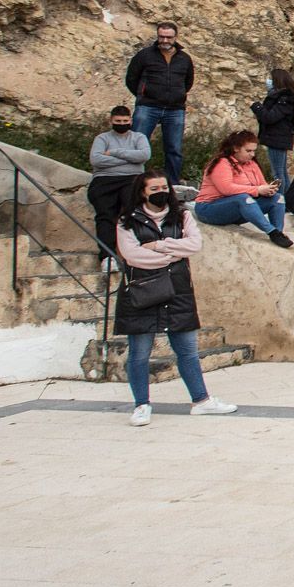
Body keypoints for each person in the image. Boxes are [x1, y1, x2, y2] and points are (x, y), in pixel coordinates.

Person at [113, 168, 237, 426]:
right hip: (142, 291)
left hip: (178, 290)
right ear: (142, 192)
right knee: (139, 353)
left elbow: (195, 245)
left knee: (187, 350)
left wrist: (159, 246)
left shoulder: (181, 216)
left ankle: (201, 400)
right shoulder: (127, 221)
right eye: (154, 189)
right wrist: (173, 254)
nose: (160, 193)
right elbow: (133, 255)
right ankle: (141, 405)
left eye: (164, 188)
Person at [192, 131, 292, 247]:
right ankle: (271, 232)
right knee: (243, 198)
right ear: (236, 148)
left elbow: (261, 184)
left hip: (238, 209)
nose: (252, 155)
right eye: (248, 151)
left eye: (254, 151)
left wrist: (268, 190)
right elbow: (226, 189)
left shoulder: (252, 164)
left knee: (278, 198)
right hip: (209, 208)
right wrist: (257, 190)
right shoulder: (222, 163)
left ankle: (279, 233)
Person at [125, 22, 195, 183]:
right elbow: (131, 78)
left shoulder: (184, 59)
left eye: (168, 37)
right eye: (161, 36)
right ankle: (132, 181)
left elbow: (188, 81)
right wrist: (144, 94)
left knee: (174, 149)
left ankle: (172, 185)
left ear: (175, 37)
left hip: (175, 109)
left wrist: (178, 95)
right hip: (147, 107)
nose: (164, 40)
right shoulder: (145, 55)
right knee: (137, 146)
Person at [88, 105, 151, 265]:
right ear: (111, 121)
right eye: (118, 121)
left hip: (131, 180)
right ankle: (107, 257)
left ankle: (137, 253)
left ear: (130, 120)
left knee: (134, 213)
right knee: (105, 217)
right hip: (104, 180)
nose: (121, 123)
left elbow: (144, 155)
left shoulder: (138, 137)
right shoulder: (102, 138)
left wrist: (115, 152)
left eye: (125, 120)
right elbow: (96, 160)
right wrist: (130, 159)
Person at [252, 69, 294, 202]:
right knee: (282, 172)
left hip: (276, 138)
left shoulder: (284, 100)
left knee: (278, 173)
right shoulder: (283, 99)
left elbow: (270, 117)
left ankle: (280, 201)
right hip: (278, 138)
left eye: (270, 79)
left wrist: (257, 107)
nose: (268, 81)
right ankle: (286, 201)